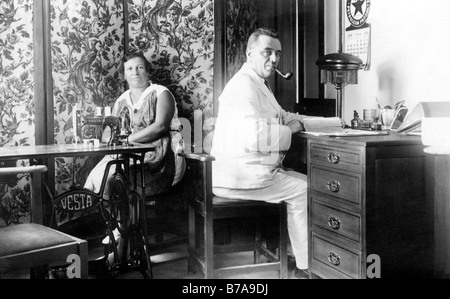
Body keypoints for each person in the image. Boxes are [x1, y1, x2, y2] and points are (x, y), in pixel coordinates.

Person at [210, 28, 310, 279]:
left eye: (277, 53)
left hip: (248, 171)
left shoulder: (256, 83)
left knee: (300, 180)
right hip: (240, 177)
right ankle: (306, 265)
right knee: (306, 188)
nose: (274, 59)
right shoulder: (243, 86)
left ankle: (301, 256)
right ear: (250, 54)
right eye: (267, 52)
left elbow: (285, 116)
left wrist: (332, 122)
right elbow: (256, 137)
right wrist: (291, 128)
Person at [83, 51, 186, 265]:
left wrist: (127, 139)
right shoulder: (121, 101)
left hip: (161, 158)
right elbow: (109, 134)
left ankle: (124, 245)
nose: (135, 72)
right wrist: (108, 138)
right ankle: (122, 234)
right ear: (124, 75)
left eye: (139, 67)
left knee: (122, 178)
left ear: (148, 71)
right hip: (130, 155)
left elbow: (160, 127)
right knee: (101, 175)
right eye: (129, 69)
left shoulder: (160, 93)